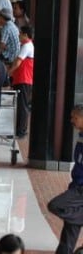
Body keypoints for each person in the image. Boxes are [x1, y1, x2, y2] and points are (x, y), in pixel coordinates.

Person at [48, 104, 83, 254]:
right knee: (66, 241)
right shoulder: (81, 136)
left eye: (75, 117)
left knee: (55, 205)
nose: (71, 120)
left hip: (80, 191)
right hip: (75, 186)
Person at [7, 26, 34, 139]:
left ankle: (21, 131)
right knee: (20, 105)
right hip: (21, 79)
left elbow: (18, 62)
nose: (18, 35)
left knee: (22, 106)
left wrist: (8, 72)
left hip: (24, 80)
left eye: (20, 33)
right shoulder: (26, 45)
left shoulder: (27, 46)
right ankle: (18, 129)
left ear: (26, 35)